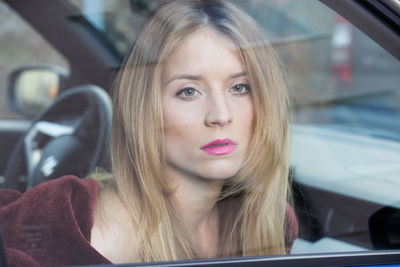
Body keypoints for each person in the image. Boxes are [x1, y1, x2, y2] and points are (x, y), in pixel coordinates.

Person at [0, 0, 297, 266]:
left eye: (239, 88)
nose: (220, 115)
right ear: (145, 108)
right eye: (189, 91)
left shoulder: (270, 222)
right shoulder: (76, 222)